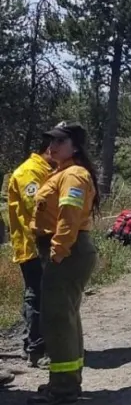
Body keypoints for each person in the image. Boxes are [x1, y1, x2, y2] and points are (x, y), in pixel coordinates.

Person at [28, 122, 99, 405]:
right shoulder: (61, 172)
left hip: (68, 251)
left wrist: (58, 252)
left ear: (75, 147)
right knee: (65, 317)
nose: (52, 146)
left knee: (57, 319)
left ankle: (64, 388)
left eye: (59, 141)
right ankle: (66, 381)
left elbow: (69, 215)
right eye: (50, 141)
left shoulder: (74, 175)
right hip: (68, 251)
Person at [7, 139, 56, 367]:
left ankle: (38, 341)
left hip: (45, 242)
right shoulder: (29, 172)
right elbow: (36, 206)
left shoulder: (47, 170)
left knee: (44, 293)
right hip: (33, 244)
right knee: (36, 294)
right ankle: (35, 348)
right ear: (49, 148)